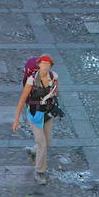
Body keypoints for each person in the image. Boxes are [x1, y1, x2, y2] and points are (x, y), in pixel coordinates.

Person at [13, 54, 60, 183]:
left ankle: (33, 151)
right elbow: (22, 100)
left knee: (47, 142)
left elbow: (56, 93)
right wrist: (17, 119)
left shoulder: (53, 76)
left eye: (48, 65)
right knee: (43, 144)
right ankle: (40, 171)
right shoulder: (31, 81)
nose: (45, 67)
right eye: (43, 64)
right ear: (39, 65)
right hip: (35, 115)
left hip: (48, 114)